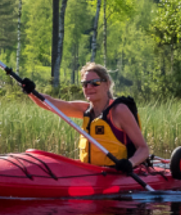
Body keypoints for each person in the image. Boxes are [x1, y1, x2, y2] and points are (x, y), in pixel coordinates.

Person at [20, 62, 150, 174]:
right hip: (90, 172)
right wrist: (31, 92)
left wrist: (130, 164)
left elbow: (143, 149)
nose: (89, 88)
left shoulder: (118, 111)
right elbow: (51, 104)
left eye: (95, 83)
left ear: (107, 84)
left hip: (115, 173)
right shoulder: (85, 110)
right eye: (85, 84)